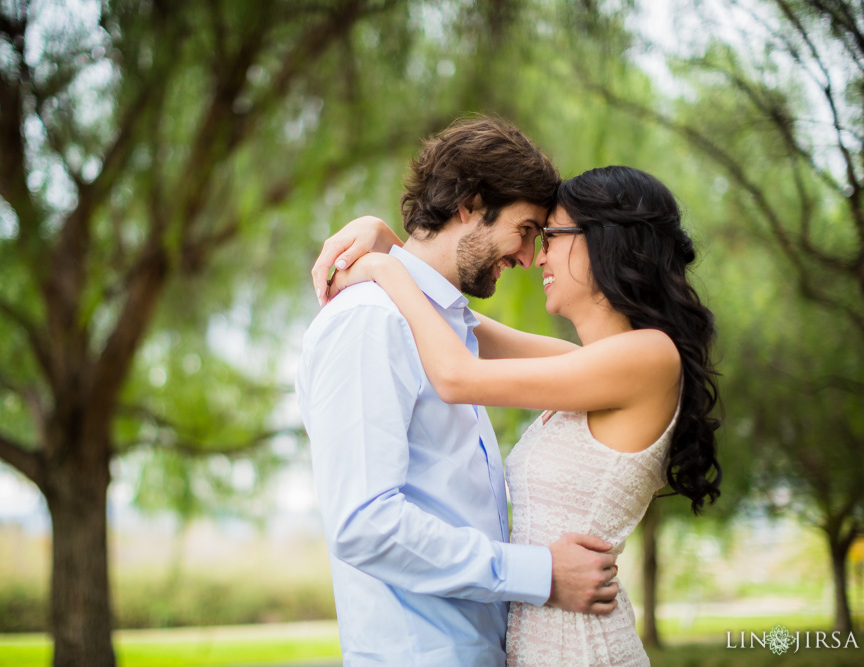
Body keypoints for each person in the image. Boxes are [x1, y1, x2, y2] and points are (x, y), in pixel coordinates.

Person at [319, 165, 722, 666]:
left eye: (550, 236)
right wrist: (392, 245)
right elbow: (456, 324)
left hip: (582, 648)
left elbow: (456, 374)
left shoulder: (648, 357)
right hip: (538, 641)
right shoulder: (587, 366)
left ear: (607, 242)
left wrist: (384, 269)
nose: (537, 257)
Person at [296, 117, 622, 666]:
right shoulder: (371, 322)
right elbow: (363, 524)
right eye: (524, 230)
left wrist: (389, 248)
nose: (527, 258)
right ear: (470, 204)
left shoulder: (446, 329)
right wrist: (540, 574)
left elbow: (588, 368)